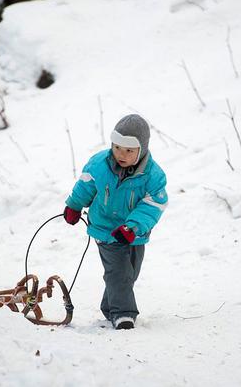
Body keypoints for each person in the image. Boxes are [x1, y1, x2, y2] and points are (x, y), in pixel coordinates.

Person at [63, 114, 168, 330]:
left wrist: (133, 227)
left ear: (142, 150)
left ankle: (111, 306)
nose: (121, 154)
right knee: (119, 271)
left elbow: (152, 206)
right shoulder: (99, 164)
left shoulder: (153, 176)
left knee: (130, 273)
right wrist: (74, 205)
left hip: (133, 233)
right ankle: (123, 315)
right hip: (105, 228)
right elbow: (86, 187)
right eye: (117, 147)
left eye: (129, 150)